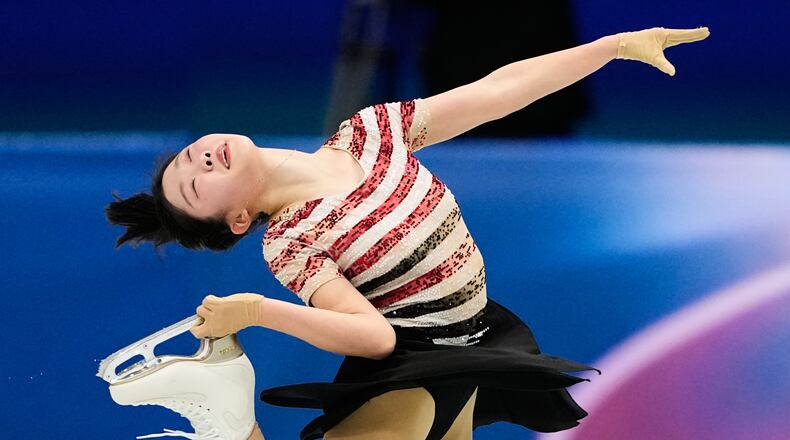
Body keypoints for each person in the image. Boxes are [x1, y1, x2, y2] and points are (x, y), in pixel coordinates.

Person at [106, 27, 710, 440]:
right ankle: (224, 408)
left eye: (192, 156)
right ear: (237, 221)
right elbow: (371, 338)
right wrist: (258, 312)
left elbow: (494, 93)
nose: (198, 163)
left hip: (471, 344)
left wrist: (607, 47)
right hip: (417, 365)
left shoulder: (371, 132)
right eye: (192, 185)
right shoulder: (290, 240)